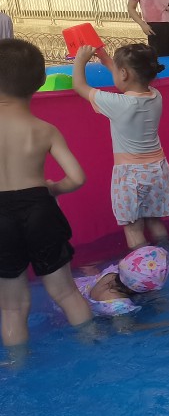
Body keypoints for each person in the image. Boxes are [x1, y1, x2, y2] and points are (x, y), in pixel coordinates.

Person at [0, 39, 92, 350]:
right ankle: (92, 343)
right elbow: (77, 178)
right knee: (66, 293)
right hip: (40, 209)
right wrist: (52, 188)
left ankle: (19, 366)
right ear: (40, 82)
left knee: (12, 308)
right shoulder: (44, 130)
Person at [71, 41, 169, 249]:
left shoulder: (120, 104)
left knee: (133, 227)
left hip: (131, 175)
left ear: (123, 73)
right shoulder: (155, 96)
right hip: (158, 171)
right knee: (154, 219)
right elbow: (126, 78)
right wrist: (106, 58)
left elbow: (79, 86)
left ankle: (142, 265)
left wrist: (80, 61)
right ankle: (167, 254)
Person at [74, 245, 169, 320]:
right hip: (88, 315)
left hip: (77, 292)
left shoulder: (112, 272)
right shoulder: (120, 305)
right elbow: (125, 330)